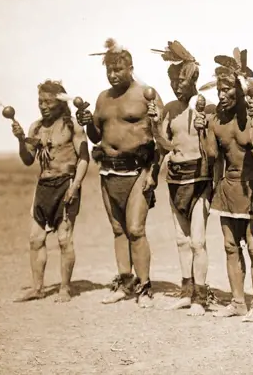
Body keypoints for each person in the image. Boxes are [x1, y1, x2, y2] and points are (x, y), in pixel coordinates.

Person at [76, 38, 164, 308]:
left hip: (138, 170)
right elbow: (96, 136)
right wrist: (88, 123)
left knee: (136, 230)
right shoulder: (103, 98)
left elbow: (160, 138)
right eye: (109, 71)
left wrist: (153, 173)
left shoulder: (146, 94)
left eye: (119, 70)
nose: (114, 75)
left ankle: (145, 287)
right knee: (118, 230)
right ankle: (125, 282)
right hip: (108, 172)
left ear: (131, 68)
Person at [194, 49, 253, 322]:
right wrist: (201, 131)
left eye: (228, 88)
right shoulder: (217, 119)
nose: (221, 94)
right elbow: (211, 156)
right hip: (228, 187)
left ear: (240, 90)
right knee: (230, 247)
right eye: (219, 88)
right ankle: (238, 301)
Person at [147, 40, 218, 316]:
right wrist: (155, 124)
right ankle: (186, 292)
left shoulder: (206, 107)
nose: (177, 85)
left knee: (198, 241)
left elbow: (212, 149)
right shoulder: (169, 109)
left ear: (194, 79)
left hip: (199, 178)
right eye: (174, 80)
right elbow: (165, 145)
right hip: (175, 178)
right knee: (181, 240)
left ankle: (200, 297)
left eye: (182, 80)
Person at [12, 80, 89, 303]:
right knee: (35, 239)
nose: (43, 106)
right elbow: (27, 160)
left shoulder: (71, 125)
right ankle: (37, 288)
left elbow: (84, 158)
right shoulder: (35, 127)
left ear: (60, 103)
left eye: (48, 102)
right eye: (40, 102)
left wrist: (75, 186)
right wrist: (20, 139)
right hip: (43, 186)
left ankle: (65, 288)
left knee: (64, 239)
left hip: (66, 185)